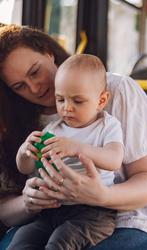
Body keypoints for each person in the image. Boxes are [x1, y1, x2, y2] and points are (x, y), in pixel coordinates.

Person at [0, 24, 147, 250]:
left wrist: (101, 195)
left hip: (130, 218)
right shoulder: (19, 123)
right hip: (50, 217)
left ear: (48, 53)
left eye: (35, 72)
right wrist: (28, 203)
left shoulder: (117, 91)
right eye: (19, 86)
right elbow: (5, 209)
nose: (34, 88)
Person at [8, 54, 124, 249]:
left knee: (59, 243)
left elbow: (114, 160)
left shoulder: (107, 125)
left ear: (101, 100)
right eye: (60, 99)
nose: (67, 108)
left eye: (78, 101)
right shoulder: (53, 129)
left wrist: (77, 147)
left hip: (92, 212)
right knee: (21, 239)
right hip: (52, 210)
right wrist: (24, 152)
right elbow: (26, 168)